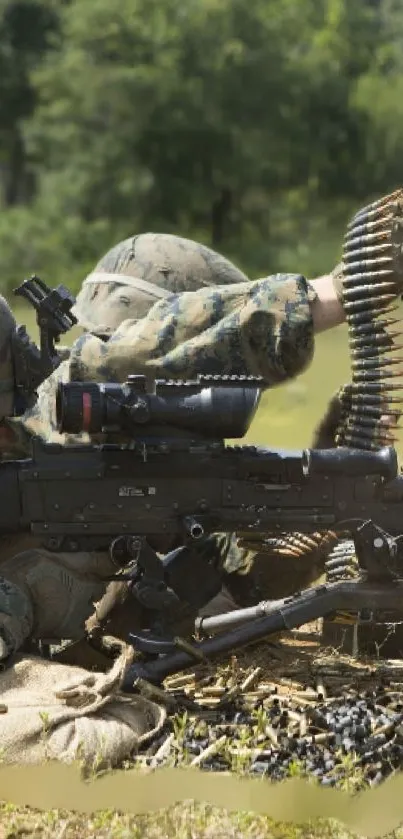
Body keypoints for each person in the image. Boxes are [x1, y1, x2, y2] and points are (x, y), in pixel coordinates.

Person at [0, 191, 399, 663]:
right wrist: (338, 292)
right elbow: (114, 364)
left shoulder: (139, 484)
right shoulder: (59, 418)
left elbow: (233, 582)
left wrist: (330, 496)